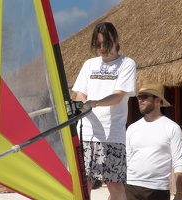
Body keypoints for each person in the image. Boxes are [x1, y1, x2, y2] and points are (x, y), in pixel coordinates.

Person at [72, 22, 136, 200]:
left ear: (116, 40)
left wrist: (95, 103)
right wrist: (84, 104)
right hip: (85, 133)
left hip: (112, 134)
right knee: (84, 183)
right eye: (98, 45)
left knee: (115, 185)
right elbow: (78, 94)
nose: (102, 48)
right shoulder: (89, 64)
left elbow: (118, 96)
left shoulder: (127, 64)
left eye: (105, 44)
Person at [125, 81, 182, 200]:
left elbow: (178, 163)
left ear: (158, 100)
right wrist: (115, 190)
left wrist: (180, 193)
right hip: (129, 186)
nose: (140, 100)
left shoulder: (172, 128)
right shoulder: (132, 128)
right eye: (139, 97)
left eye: (144, 97)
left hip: (157, 189)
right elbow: (126, 159)